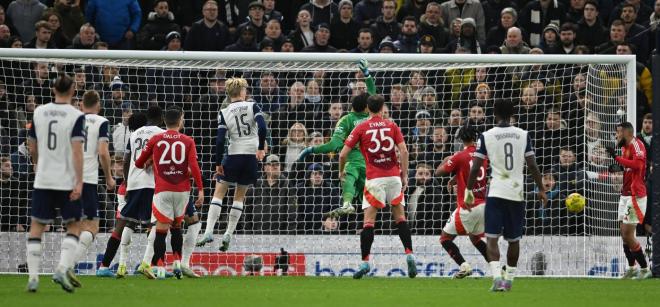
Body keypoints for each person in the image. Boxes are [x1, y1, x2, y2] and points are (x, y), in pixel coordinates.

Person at [465, 99, 547, 291]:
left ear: (494, 113)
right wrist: (541, 188)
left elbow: (476, 167)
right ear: (512, 114)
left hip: (496, 192)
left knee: (491, 237)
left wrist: (469, 190)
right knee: (514, 239)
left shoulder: (486, 136)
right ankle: (509, 280)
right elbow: (532, 165)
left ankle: (496, 278)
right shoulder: (523, 135)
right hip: (516, 193)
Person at [341, 94, 415, 279]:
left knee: (368, 222)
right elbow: (404, 151)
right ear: (383, 108)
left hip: (374, 179)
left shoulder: (361, 127)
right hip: (393, 177)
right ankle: (409, 254)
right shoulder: (392, 125)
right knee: (400, 218)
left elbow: (343, 154)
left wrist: (341, 171)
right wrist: (404, 175)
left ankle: (365, 261)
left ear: (367, 108)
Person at [25, 74, 85, 293]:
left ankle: (32, 278)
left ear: (53, 90)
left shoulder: (39, 112)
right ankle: (61, 267)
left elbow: (32, 145)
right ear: (72, 92)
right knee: (74, 225)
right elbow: (77, 151)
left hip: (44, 178)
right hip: (66, 179)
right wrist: (79, 181)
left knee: (37, 227)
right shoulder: (76, 115)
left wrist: (36, 164)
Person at [297, 60, 375, 216]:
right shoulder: (371, 117)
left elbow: (333, 146)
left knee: (346, 178)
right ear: (367, 107)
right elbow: (374, 94)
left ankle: (346, 204)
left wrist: (311, 149)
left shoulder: (346, 120)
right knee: (367, 202)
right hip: (370, 164)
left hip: (352, 161)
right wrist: (367, 74)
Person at [197, 77, 267, 251]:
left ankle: (208, 231)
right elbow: (263, 127)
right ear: (243, 91)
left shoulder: (224, 111)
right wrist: (259, 148)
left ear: (228, 94)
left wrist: (217, 163)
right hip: (250, 156)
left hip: (234, 154)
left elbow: (220, 141)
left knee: (219, 193)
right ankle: (229, 232)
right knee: (239, 196)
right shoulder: (252, 106)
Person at [134, 108, 204, 279]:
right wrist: (201, 189)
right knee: (177, 227)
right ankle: (178, 264)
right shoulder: (188, 141)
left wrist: (150, 161)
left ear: (164, 121)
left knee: (160, 230)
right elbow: (194, 166)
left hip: (162, 189)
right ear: (181, 120)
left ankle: (158, 266)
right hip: (182, 190)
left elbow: (138, 163)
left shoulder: (156, 139)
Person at [96, 106, 163, 278]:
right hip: (150, 184)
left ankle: (105, 266)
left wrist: (127, 180)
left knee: (123, 223)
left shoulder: (135, 134)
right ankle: (151, 265)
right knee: (154, 225)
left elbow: (125, 160)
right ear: (161, 118)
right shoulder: (161, 134)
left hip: (132, 184)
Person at [70, 90, 115, 284]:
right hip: (87, 180)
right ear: (98, 104)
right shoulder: (101, 121)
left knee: (76, 226)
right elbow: (103, 152)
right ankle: (67, 266)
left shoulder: (72, 120)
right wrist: (109, 177)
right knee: (92, 226)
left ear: (81, 105)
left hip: (66, 179)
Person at [435, 124, 490, 278]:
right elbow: (472, 171)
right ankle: (499, 268)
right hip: (483, 205)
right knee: (475, 238)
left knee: (445, 238)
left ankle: (464, 266)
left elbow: (438, 172)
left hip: (467, 206)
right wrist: (456, 178)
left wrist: (448, 158)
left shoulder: (459, 156)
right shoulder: (483, 155)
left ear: (460, 139)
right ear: (475, 138)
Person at [605, 122, 652, 279]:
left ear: (626, 133)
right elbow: (630, 168)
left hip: (636, 196)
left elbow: (638, 165)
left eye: (618, 132)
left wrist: (616, 157)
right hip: (625, 195)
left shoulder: (637, 144)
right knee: (623, 235)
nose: (616, 136)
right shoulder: (625, 148)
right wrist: (620, 167)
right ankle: (632, 268)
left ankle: (645, 269)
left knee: (628, 234)